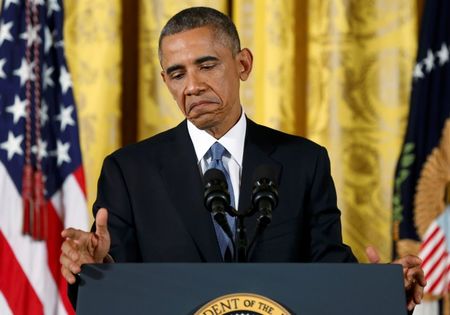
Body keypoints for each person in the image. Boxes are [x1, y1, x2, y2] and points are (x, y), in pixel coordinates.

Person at [60, 6, 425, 311]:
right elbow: (115, 295)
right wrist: (95, 270)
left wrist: (382, 288)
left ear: (243, 65)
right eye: (177, 73)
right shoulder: (129, 171)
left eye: (206, 65)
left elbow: (328, 273)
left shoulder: (303, 162)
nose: (192, 86)